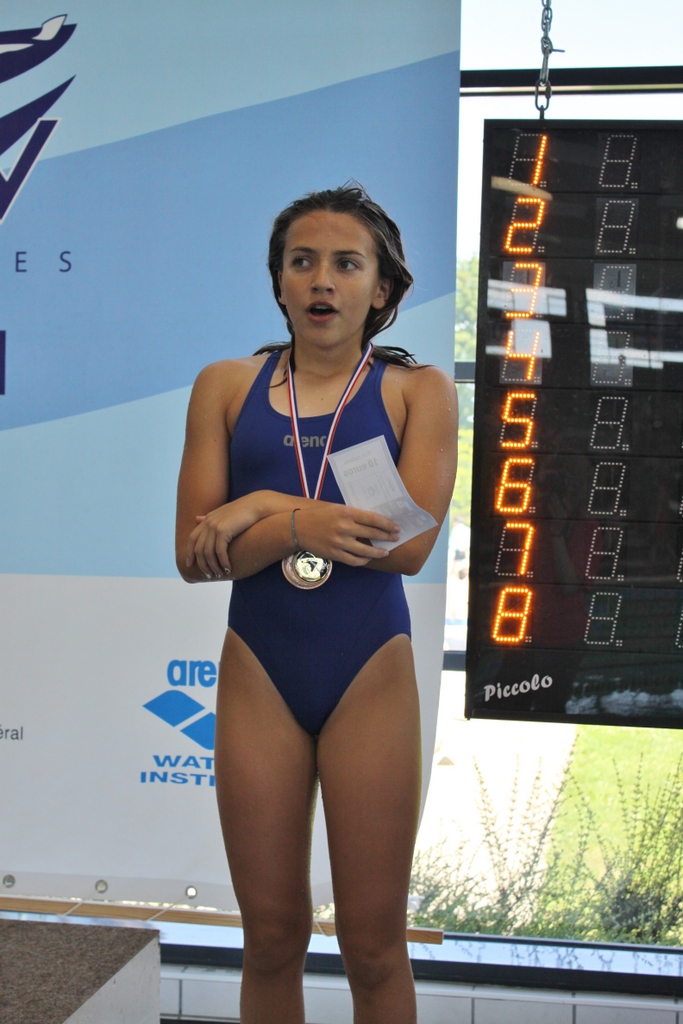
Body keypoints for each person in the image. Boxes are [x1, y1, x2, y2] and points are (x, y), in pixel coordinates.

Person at [175, 183, 458, 1024]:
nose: (321, 280)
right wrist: (304, 522)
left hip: (366, 670)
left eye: (345, 263)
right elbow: (197, 555)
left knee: (373, 947)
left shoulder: (417, 392)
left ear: (383, 287)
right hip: (259, 671)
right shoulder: (225, 387)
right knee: (268, 939)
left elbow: (404, 547)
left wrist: (261, 510)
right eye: (301, 262)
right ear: (279, 282)